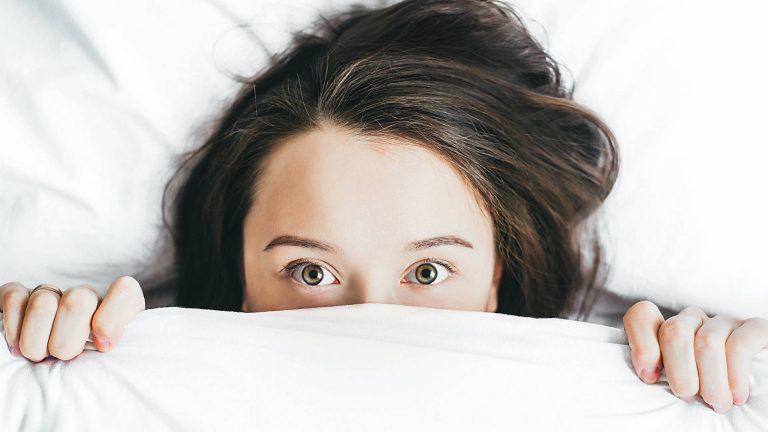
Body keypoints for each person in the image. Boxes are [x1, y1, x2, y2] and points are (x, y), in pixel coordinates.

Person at [0, 0, 765, 415]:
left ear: (500, 273)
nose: (372, 316)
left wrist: (739, 368)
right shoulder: (113, 383)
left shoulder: (634, 383)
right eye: (309, 269)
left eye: (429, 270)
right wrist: (31, 344)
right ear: (237, 276)